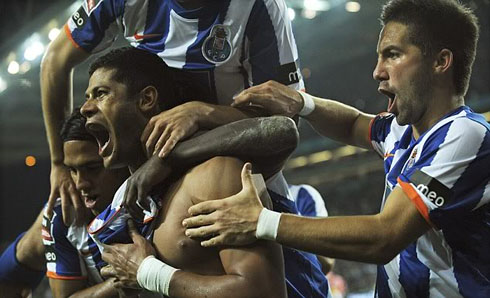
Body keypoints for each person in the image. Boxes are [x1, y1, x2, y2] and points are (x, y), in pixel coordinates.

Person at [182, 0, 490, 296]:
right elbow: (351, 123)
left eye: (392, 55)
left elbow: (385, 236)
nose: (377, 71)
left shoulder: (465, 134)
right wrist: (301, 102)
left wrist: (260, 221)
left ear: (441, 61)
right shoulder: (401, 130)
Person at [41, 0, 303, 225]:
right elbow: (54, 60)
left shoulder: (258, 7)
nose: (87, 108)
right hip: (149, 169)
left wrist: (200, 113)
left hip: (234, 163)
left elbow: (285, 118)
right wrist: (58, 165)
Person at [80, 46, 292, 298]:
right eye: (87, 96)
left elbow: (264, 292)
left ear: (146, 99)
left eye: (101, 94)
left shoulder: (214, 174)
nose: (85, 108)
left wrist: (148, 273)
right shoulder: (124, 199)